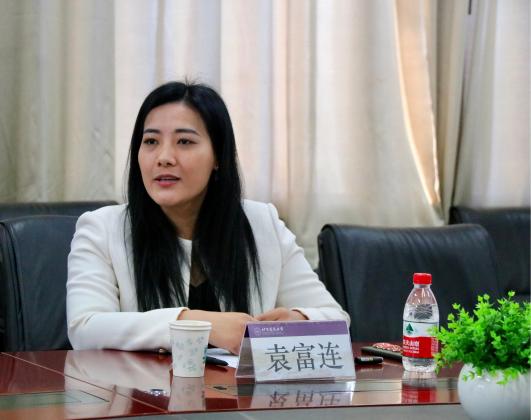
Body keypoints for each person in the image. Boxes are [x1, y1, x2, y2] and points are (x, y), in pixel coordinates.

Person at [66, 81, 349, 354]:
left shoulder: (263, 223)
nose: (164, 157)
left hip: (240, 388)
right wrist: (198, 324)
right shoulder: (101, 229)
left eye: (184, 141)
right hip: (140, 387)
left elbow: (336, 319)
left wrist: (297, 320)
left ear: (218, 157)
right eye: (151, 141)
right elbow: (85, 328)